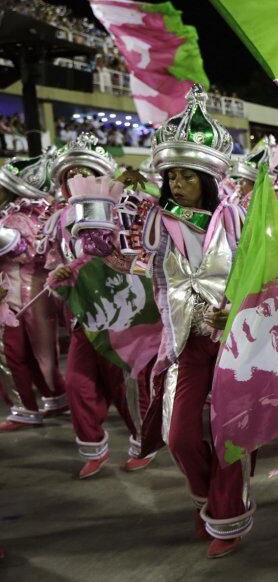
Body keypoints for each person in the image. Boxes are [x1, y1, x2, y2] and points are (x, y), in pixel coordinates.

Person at [80, 86, 252, 558]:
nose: (176, 184)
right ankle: (205, 500)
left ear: (207, 179)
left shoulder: (236, 218)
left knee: (230, 433)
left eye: (186, 177)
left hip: (235, 337)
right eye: (171, 176)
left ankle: (227, 518)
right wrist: (95, 239)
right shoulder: (157, 221)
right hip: (184, 342)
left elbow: (258, 272)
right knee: (179, 436)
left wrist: (235, 306)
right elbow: (130, 262)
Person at [42, 134, 155, 478]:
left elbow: (139, 259)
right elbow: (55, 262)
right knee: (77, 382)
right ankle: (94, 448)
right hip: (83, 316)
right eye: (70, 173)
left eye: (85, 171)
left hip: (121, 314)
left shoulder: (125, 210)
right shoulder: (57, 220)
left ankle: (143, 443)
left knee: (127, 389)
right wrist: (60, 274)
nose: (77, 177)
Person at [0, 153, 68, 432]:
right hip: (31, 293)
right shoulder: (32, 214)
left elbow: (22, 251)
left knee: (11, 353)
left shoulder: (18, 219)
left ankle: (25, 408)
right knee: (34, 351)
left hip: (16, 295)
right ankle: (53, 397)